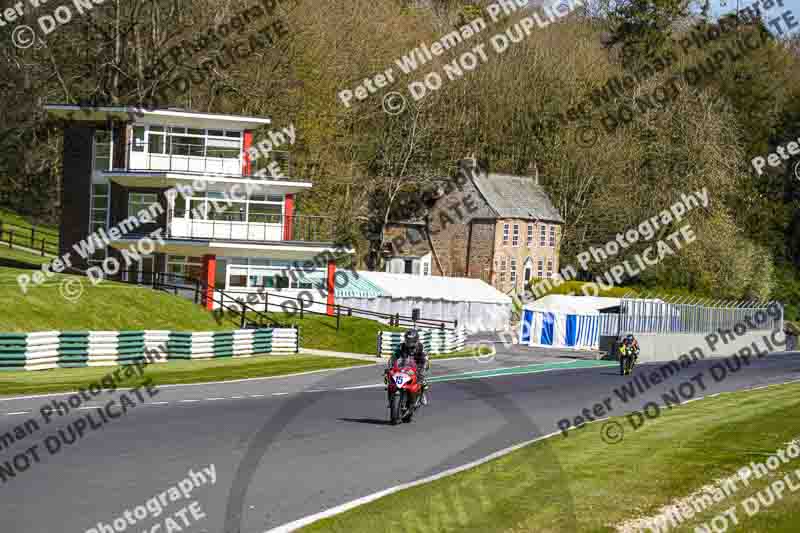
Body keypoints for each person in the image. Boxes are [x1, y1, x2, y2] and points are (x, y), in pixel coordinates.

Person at [386, 329, 430, 405]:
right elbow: (393, 357)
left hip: (417, 365)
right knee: (390, 380)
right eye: (408, 340)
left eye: (411, 340)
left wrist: (421, 369)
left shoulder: (421, 347)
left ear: (416, 340)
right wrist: (390, 367)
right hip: (404, 365)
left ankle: (421, 394)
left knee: (421, 380)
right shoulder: (401, 346)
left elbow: (425, 360)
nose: (409, 342)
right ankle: (391, 401)